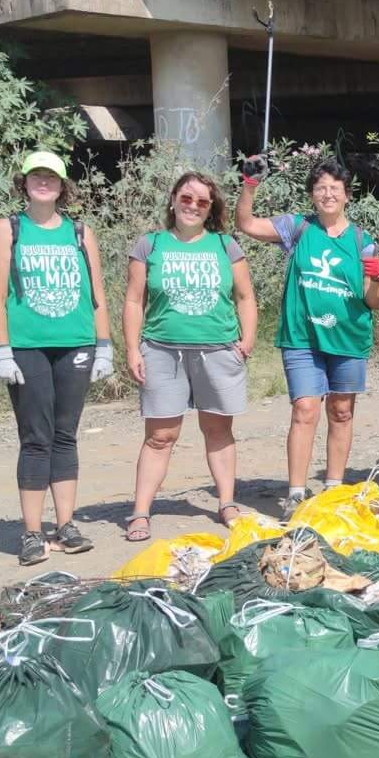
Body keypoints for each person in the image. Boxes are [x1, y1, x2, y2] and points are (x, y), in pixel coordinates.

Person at [236, 154, 379, 517]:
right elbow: (246, 224)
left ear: (347, 194)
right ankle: (296, 494)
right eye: (320, 188)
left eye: (335, 188)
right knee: (305, 409)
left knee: (342, 411)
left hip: (348, 339)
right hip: (302, 336)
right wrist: (250, 185)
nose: (328, 194)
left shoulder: (363, 242)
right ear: (312, 195)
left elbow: (375, 301)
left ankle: (333, 491)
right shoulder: (297, 228)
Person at [0, 150, 113, 565]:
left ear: (62, 185)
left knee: (65, 434)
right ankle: (32, 532)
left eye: (51, 177)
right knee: (36, 436)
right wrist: (2, 350)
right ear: (23, 183)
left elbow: (96, 294)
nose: (44, 182)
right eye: (36, 176)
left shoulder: (80, 232)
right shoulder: (8, 229)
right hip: (28, 347)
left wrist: (104, 345)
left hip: (76, 343)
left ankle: (66, 525)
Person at [121, 171, 257, 541]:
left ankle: (226, 503)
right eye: (186, 198)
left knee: (218, 430)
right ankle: (140, 512)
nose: (192, 206)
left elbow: (245, 296)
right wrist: (132, 349)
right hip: (162, 350)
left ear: (211, 208)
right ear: (173, 200)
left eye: (201, 201)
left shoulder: (225, 245)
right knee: (160, 435)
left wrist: (247, 339)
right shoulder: (150, 245)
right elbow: (134, 300)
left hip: (218, 350)